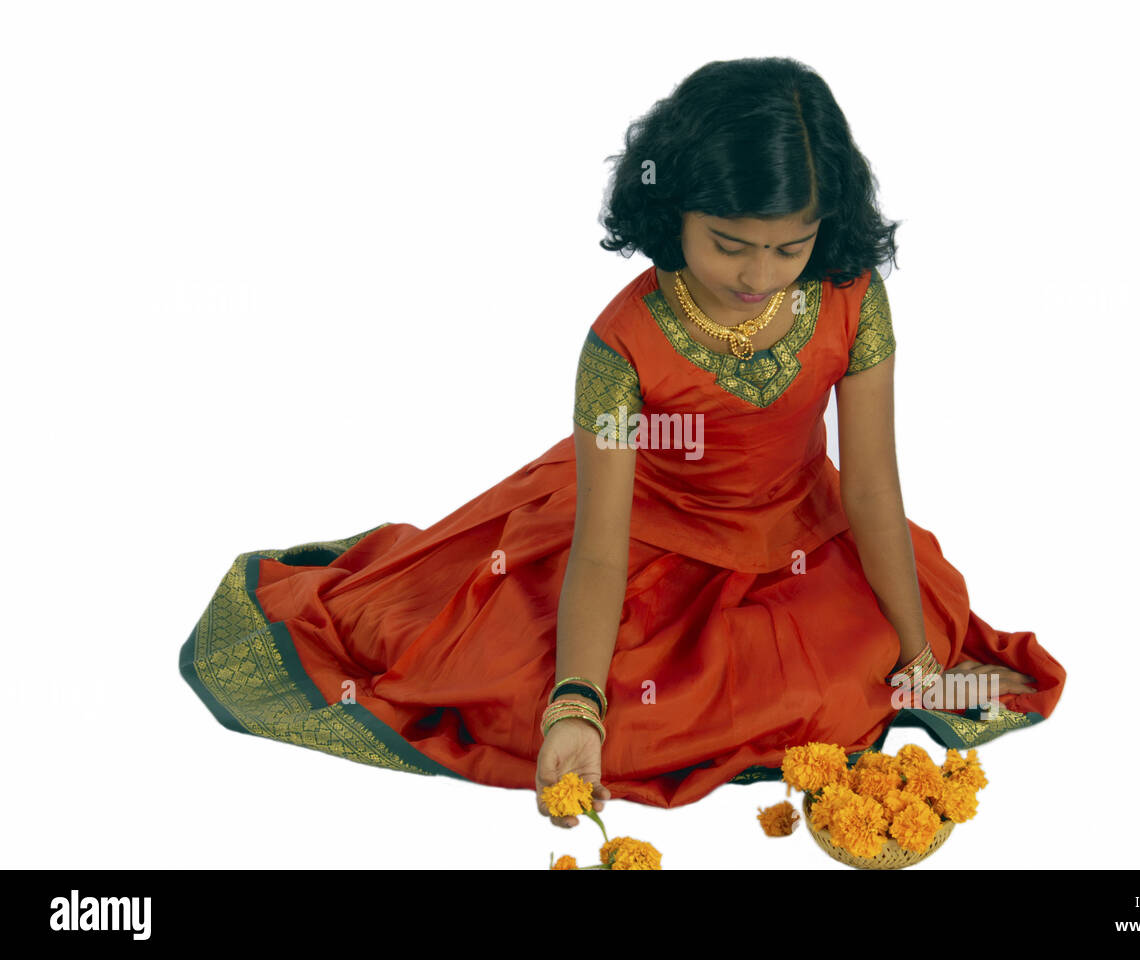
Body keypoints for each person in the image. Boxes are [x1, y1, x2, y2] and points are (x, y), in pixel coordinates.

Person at [179, 57, 1066, 832]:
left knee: (861, 670)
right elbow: (599, 553)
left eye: (788, 249)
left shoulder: (851, 295)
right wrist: (578, 706)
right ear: (669, 207)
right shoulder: (621, 345)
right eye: (729, 245)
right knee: (593, 713)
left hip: (806, 536)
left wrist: (920, 668)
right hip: (644, 545)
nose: (758, 277)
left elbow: (872, 489)